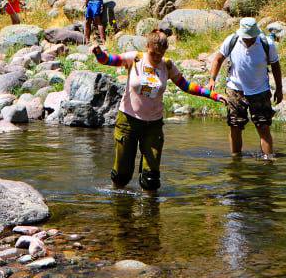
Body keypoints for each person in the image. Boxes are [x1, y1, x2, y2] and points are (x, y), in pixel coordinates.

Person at [94, 30, 224, 191]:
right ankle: (119, 208)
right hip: (128, 121)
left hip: (153, 125)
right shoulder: (135, 58)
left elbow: (186, 85)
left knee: (151, 180)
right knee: (121, 176)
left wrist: (212, 94)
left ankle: (149, 212)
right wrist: (99, 53)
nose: (156, 57)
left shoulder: (167, 65)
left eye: (160, 54)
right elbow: (109, 60)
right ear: (147, 46)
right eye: (153, 53)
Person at [209, 17, 283, 160]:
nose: (249, 40)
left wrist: (279, 89)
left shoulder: (267, 43)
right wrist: (212, 79)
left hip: (260, 91)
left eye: (251, 37)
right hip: (235, 90)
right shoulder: (232, 40)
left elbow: (275, 65)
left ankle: (268, 161)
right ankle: (236, 160)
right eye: (246, 37)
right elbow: (218, 58)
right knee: (235, 126)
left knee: (263, 126)